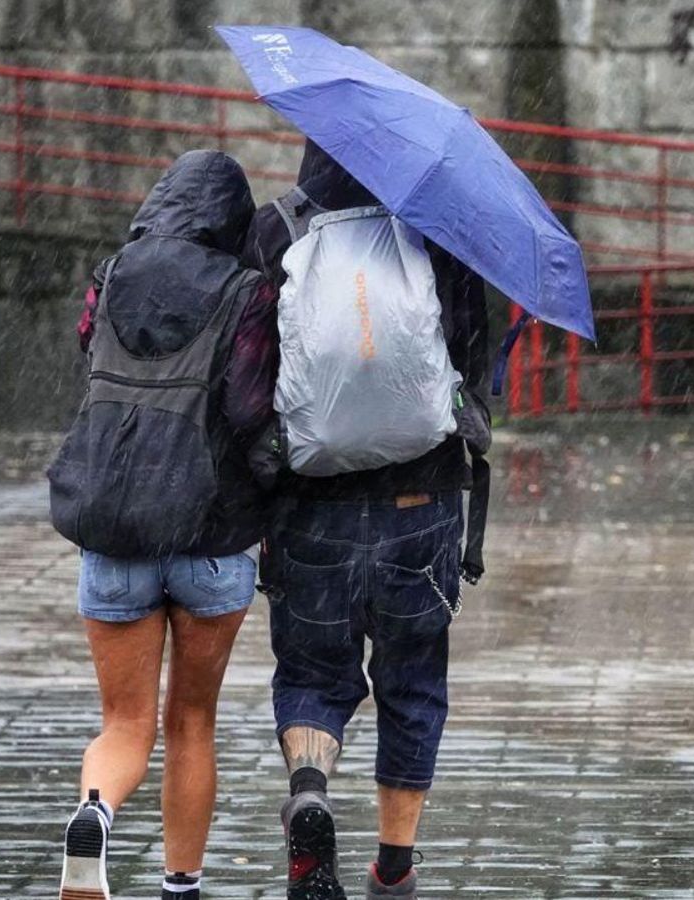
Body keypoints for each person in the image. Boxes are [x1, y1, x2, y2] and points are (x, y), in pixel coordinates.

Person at [242, 141, 492, 900]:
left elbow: (248, 369)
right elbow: (469, 359)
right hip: (422, 503)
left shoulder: (275, 231)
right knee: (412, 684)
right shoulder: (438, 232)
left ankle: (311, 790)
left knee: (313, 675)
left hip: (309, 504)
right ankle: (394, 865)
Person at [48, 150, 279, 900]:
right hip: (211, 532)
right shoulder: (246, 290)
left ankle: (95, 813)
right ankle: (180, 886)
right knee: (192, 723)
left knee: (123, 724)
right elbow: (249, 408)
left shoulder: (114, 273)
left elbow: (91, 351)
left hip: (115, 522)